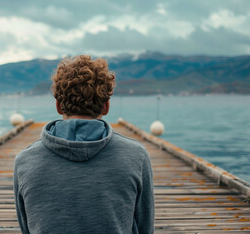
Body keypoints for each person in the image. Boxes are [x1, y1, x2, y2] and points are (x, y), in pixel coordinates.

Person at [13, 55, 155, 234]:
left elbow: (27, 228)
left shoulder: (25, 161)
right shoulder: (136, 157)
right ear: (106, 106)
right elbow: (145, 228)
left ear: (58, 105)